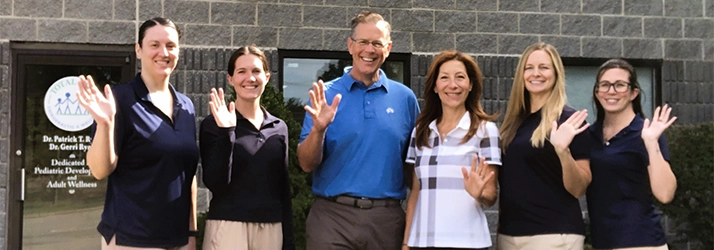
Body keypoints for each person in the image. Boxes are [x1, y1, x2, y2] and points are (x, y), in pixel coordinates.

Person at [297, 10, 420, 250]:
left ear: (388, 48)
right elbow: (305, 164)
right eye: (363, 42)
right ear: (350, 46)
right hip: (332, 219)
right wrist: (318, 130)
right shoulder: (325, 94)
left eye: (377, 43)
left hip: (386, 221)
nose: (369, 50)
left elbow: (414, 169)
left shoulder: (404, 99)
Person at [76, 17, 198, 249]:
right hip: (131, 239)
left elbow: (187, 175)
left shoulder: (187, 106)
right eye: (154, 45)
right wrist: (104, 124)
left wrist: (191, 233)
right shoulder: (120, 99)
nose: (164, 52)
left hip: (177, 240)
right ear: (139, 50)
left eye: (171, 45)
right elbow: (99, 170)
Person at [402, 50, 500, 250]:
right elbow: (416, 193)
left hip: (468, 243)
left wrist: (478, 193)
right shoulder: (420, 132)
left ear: (470, 85)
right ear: (436, 87)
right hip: (423, 243)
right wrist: (406, 243)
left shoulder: (485, 131)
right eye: (444, 78)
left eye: (460, 78)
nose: (452, 85)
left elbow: (491, 195)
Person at [497, 42, 591, 250]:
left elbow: (579, 188)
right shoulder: (513, 124)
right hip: (510, 236)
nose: (535, 74)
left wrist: (563, 151)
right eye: (529, 68)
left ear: (556, 73)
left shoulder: (570, 121)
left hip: (553, 235)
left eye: (544, 67)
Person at [199, 46, 294, 250]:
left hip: (271, 227)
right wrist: (227, 132)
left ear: (267, 77)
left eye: (256, 71)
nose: (249, 78)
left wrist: (288, 239)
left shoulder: (279, 127)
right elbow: (214, 182)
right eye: (241, 72)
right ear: (230, 79)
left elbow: (283, 188)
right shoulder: (214, 124)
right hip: (228, 225)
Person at [586, 59, 676, 250]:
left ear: (633, 93)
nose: (611, 91)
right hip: (602, 242)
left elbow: (666, 194)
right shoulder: (589, 135)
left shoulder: (646, 133)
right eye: (605, 85)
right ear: (597, 92)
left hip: (642, 242)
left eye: (620, 85)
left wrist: (651, 143)